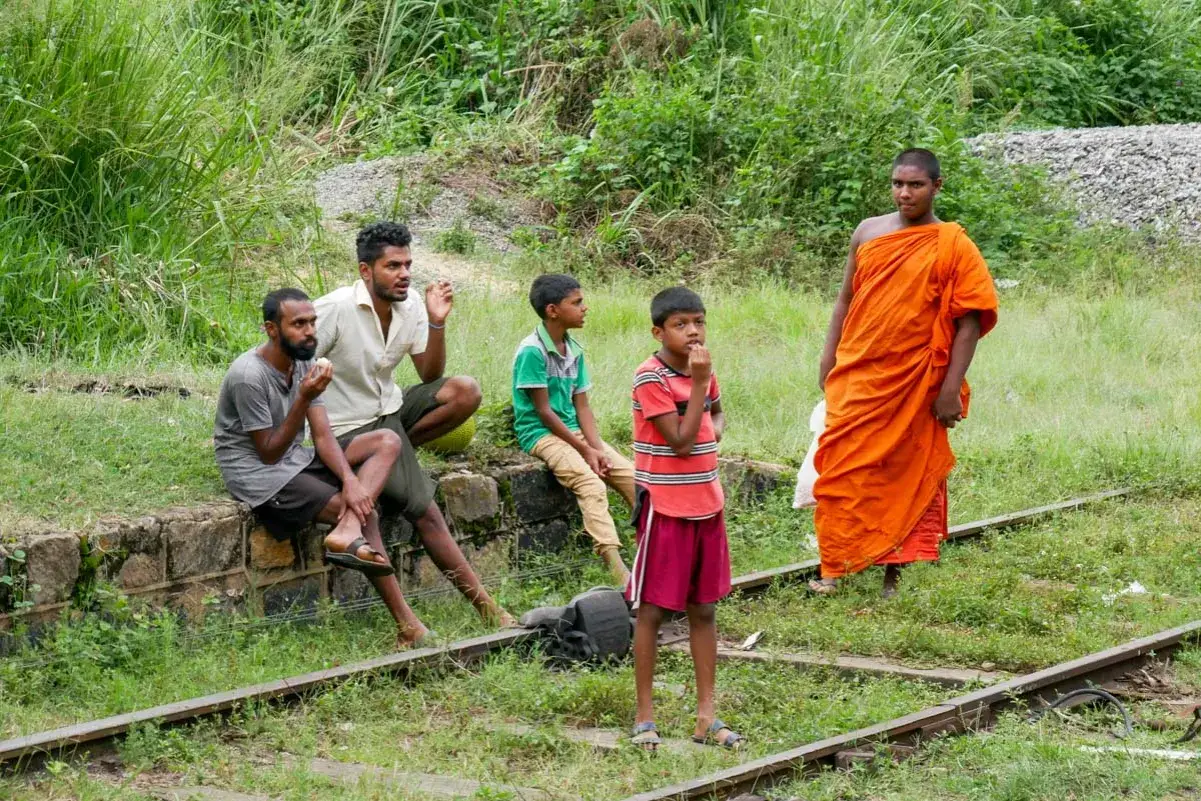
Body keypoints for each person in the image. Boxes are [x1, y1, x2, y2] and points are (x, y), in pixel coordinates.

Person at [811, 148, 999, 598]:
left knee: (907, 470)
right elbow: (845, 298)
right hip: (860, 367)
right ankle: (834, 568)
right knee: (839, 465)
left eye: (915, 185)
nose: (904, 193)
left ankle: (894, 574)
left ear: (937, 185)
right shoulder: (868, 232)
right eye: (898, 183)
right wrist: (828, 355)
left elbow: (969, 320)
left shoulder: (952, 244)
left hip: (916, 378)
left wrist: (950, 388)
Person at [314, 221, 515, 636]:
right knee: (423, 514)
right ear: (366, 271)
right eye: (392, 266)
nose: (404, 273)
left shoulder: (411, 308)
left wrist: (437, 322)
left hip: (388, 413)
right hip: (344, 428)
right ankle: (438, 618)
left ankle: (484, 612)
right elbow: (290, 369)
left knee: (465, 389)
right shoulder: (333, 309)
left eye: (407, 264)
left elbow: (430, 373)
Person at [214, 288, 431, 646]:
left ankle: (347, 529)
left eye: (312, 322)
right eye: (298, 324)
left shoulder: (303, 364)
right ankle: (408, 625)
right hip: (259, 475)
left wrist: (349, 480)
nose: (310, 331)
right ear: (271, 329)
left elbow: (323, 436)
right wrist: (304, 397)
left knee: (387, 441)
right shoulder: (248, 375)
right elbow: (268, 453)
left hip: (295, 460)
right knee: (369, 516)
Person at [626, 287, 744, 752]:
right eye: (681, 324)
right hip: (666, 506)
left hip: (706, 503)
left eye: (699, 321)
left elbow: (715, 417)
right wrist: (698, 386)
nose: (693, 331)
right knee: (653, 610)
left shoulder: (703, 371)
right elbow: (678, 440)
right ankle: (644, 716)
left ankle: (706, 717)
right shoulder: (649, 378)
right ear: (659, 331)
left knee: (704, 609)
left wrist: (707, 416)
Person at [511, 274, 636, 586]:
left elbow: (582, 407)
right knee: (590, 483)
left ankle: (654, 547)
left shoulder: (574, 350)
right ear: (553, 310)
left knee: (633, 477)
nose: (585, 308)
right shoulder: (532, 351)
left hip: (573, 432)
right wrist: (585, 452)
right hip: (540, 433)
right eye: (577, 302)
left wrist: (596, 449)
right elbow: (544, 411)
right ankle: (617, 569)